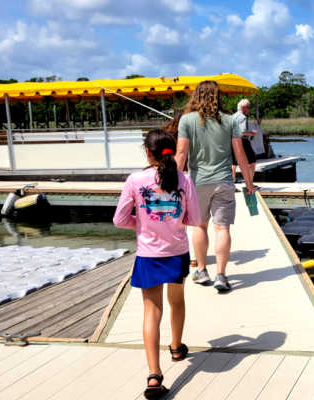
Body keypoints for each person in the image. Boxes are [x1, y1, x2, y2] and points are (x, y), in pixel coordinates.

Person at [113, 129, 201, 399]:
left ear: (147, 153)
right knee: (177, 301)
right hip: (176, 252)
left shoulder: (135, 179)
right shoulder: (184, 179)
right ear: (171, 151)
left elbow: (119, 219)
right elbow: (195, 219)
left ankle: (154, 374)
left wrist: (140, 224)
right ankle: (176, 347)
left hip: (148, 255)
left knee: (152, 311)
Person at [175, 81, 255, 292]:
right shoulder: (230, 121)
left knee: (200, 226)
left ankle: (201, 270)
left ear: (197, 96)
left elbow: (181, 155)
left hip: (197, 182)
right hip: (224, 181)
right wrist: (249, 184)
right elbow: (240, 155)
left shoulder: (187, 120)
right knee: (222, 228)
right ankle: (221, 275)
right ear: (218, 97)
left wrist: (171, 182)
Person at [232, 99, 258, 183]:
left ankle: (232, 184)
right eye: (248, 107)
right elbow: (242, 132)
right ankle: (249, 184)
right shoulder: (243, 117)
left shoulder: (233, 116)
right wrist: (252, 133)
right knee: (252, 162)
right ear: (243, 108)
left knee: (233, 164)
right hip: (242, 141)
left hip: (231, 141)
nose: (249, 109)